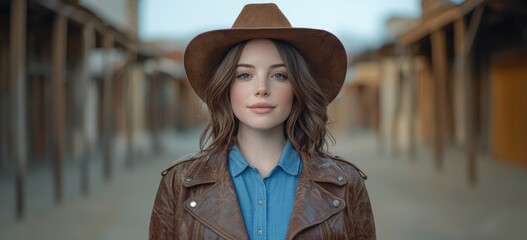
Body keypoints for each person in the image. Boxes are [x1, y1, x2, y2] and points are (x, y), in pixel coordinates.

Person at [149, 3, 375, 240]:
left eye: (279, 75)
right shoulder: (180, 183)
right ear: (226, 86)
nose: (262, 89)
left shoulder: (345, 183)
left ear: (298, 87)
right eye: (244, 75)